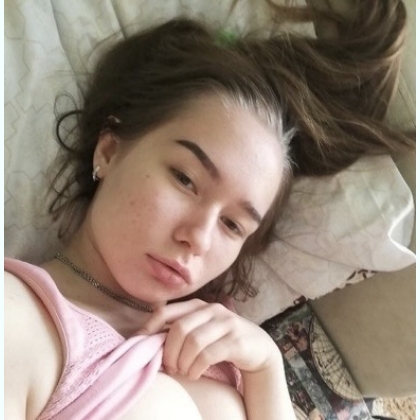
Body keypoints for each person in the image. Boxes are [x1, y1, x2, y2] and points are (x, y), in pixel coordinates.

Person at [5, 1, 414, 419]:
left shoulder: (235, 357)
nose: (198, 238)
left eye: (233, 225)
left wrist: (267, 367)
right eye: (185, 179)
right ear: (109, 151)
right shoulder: (18, 318)